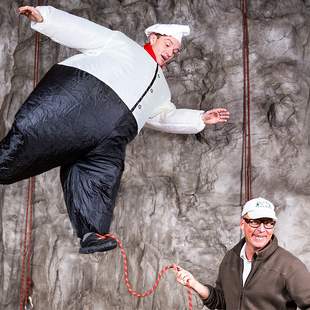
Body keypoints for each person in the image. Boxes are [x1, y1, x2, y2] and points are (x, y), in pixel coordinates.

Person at [0, 5, 230, 254]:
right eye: (167, 45)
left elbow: (164, 117)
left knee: (101, 176)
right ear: (153, 38)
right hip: (79, 106)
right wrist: (46, 17)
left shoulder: (162, 89)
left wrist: (200, 119)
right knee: (22, 149)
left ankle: (91, 232)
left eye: (175, 51)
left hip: (111, 137)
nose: (171, 53)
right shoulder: (122, 45)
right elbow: (83, 31)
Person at [175, 197, 310, 310]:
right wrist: (194, 284)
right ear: (242, 223)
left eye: (268, 223)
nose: (262, 229)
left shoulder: (290, 266)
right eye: (255, 222)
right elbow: (222, 301)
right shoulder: (231, 258)